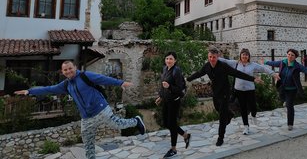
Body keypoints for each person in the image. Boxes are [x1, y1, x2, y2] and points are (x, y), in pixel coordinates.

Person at [14, 60, 146, 159]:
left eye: (70, 68)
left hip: (100, 109)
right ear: (63, 72)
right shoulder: (66, 85)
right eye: (65, 70)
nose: (68, 71)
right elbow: (49, 89)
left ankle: (136, 121)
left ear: (75, 68)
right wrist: (29, 91)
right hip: (86, 117)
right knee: (87, 141)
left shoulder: (85, 75)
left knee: (117, 124)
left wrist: (120, 83)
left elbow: (103, 79)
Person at [186, 46, 261, 147]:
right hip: (215, 93)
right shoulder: (207, 66)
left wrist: (252, 79)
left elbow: (237, 73)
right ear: (208, 57)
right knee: (218, 108)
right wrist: (188, 79)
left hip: (225, 94)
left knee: (222, 117)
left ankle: (220, 138)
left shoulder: (223, 66)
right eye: (210, 57)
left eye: (214, 57)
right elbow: (199, 73)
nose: (212, 59)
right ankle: (229, 114)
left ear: (218, 57)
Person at [219, 48, 280, 135]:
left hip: (250, 90)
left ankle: (253, 115)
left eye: (246, 55)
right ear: (240, 55)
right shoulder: (235, 63)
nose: (244, 56)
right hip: (239, 90)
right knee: (243, 109)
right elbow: (225, 61)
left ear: (248, 56)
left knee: (253, 107)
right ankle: (246, 127)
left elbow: (263, 69)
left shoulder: (252, 65)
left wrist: (273, 74)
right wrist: (214, 57)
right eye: (243, 54)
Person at [261, 48, 307, 131]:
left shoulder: (297, 66)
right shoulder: (282, 63)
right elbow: (274, 63)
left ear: (295, 57)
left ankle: (290, 124)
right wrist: (265, 62)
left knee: (290, 106)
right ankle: (285, 101)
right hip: (282, 87)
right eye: (289, 54)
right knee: (281, 98)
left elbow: (306, 69)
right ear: (287, 54)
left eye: (292, 55)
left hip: (292, 89)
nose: (290, 56)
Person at [155, 51, 191, 158]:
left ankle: (173, 149)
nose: (168, 61)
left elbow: (179, 90)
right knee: (166, 123)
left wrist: (169, 86)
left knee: (172, 124)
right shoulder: (165, 69)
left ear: (175, 60)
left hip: (174, 101)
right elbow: (163, 85)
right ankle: (185, 135)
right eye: (167, 59)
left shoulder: (177, 71)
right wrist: (160, 97)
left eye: (171, 59)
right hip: (166, 100)